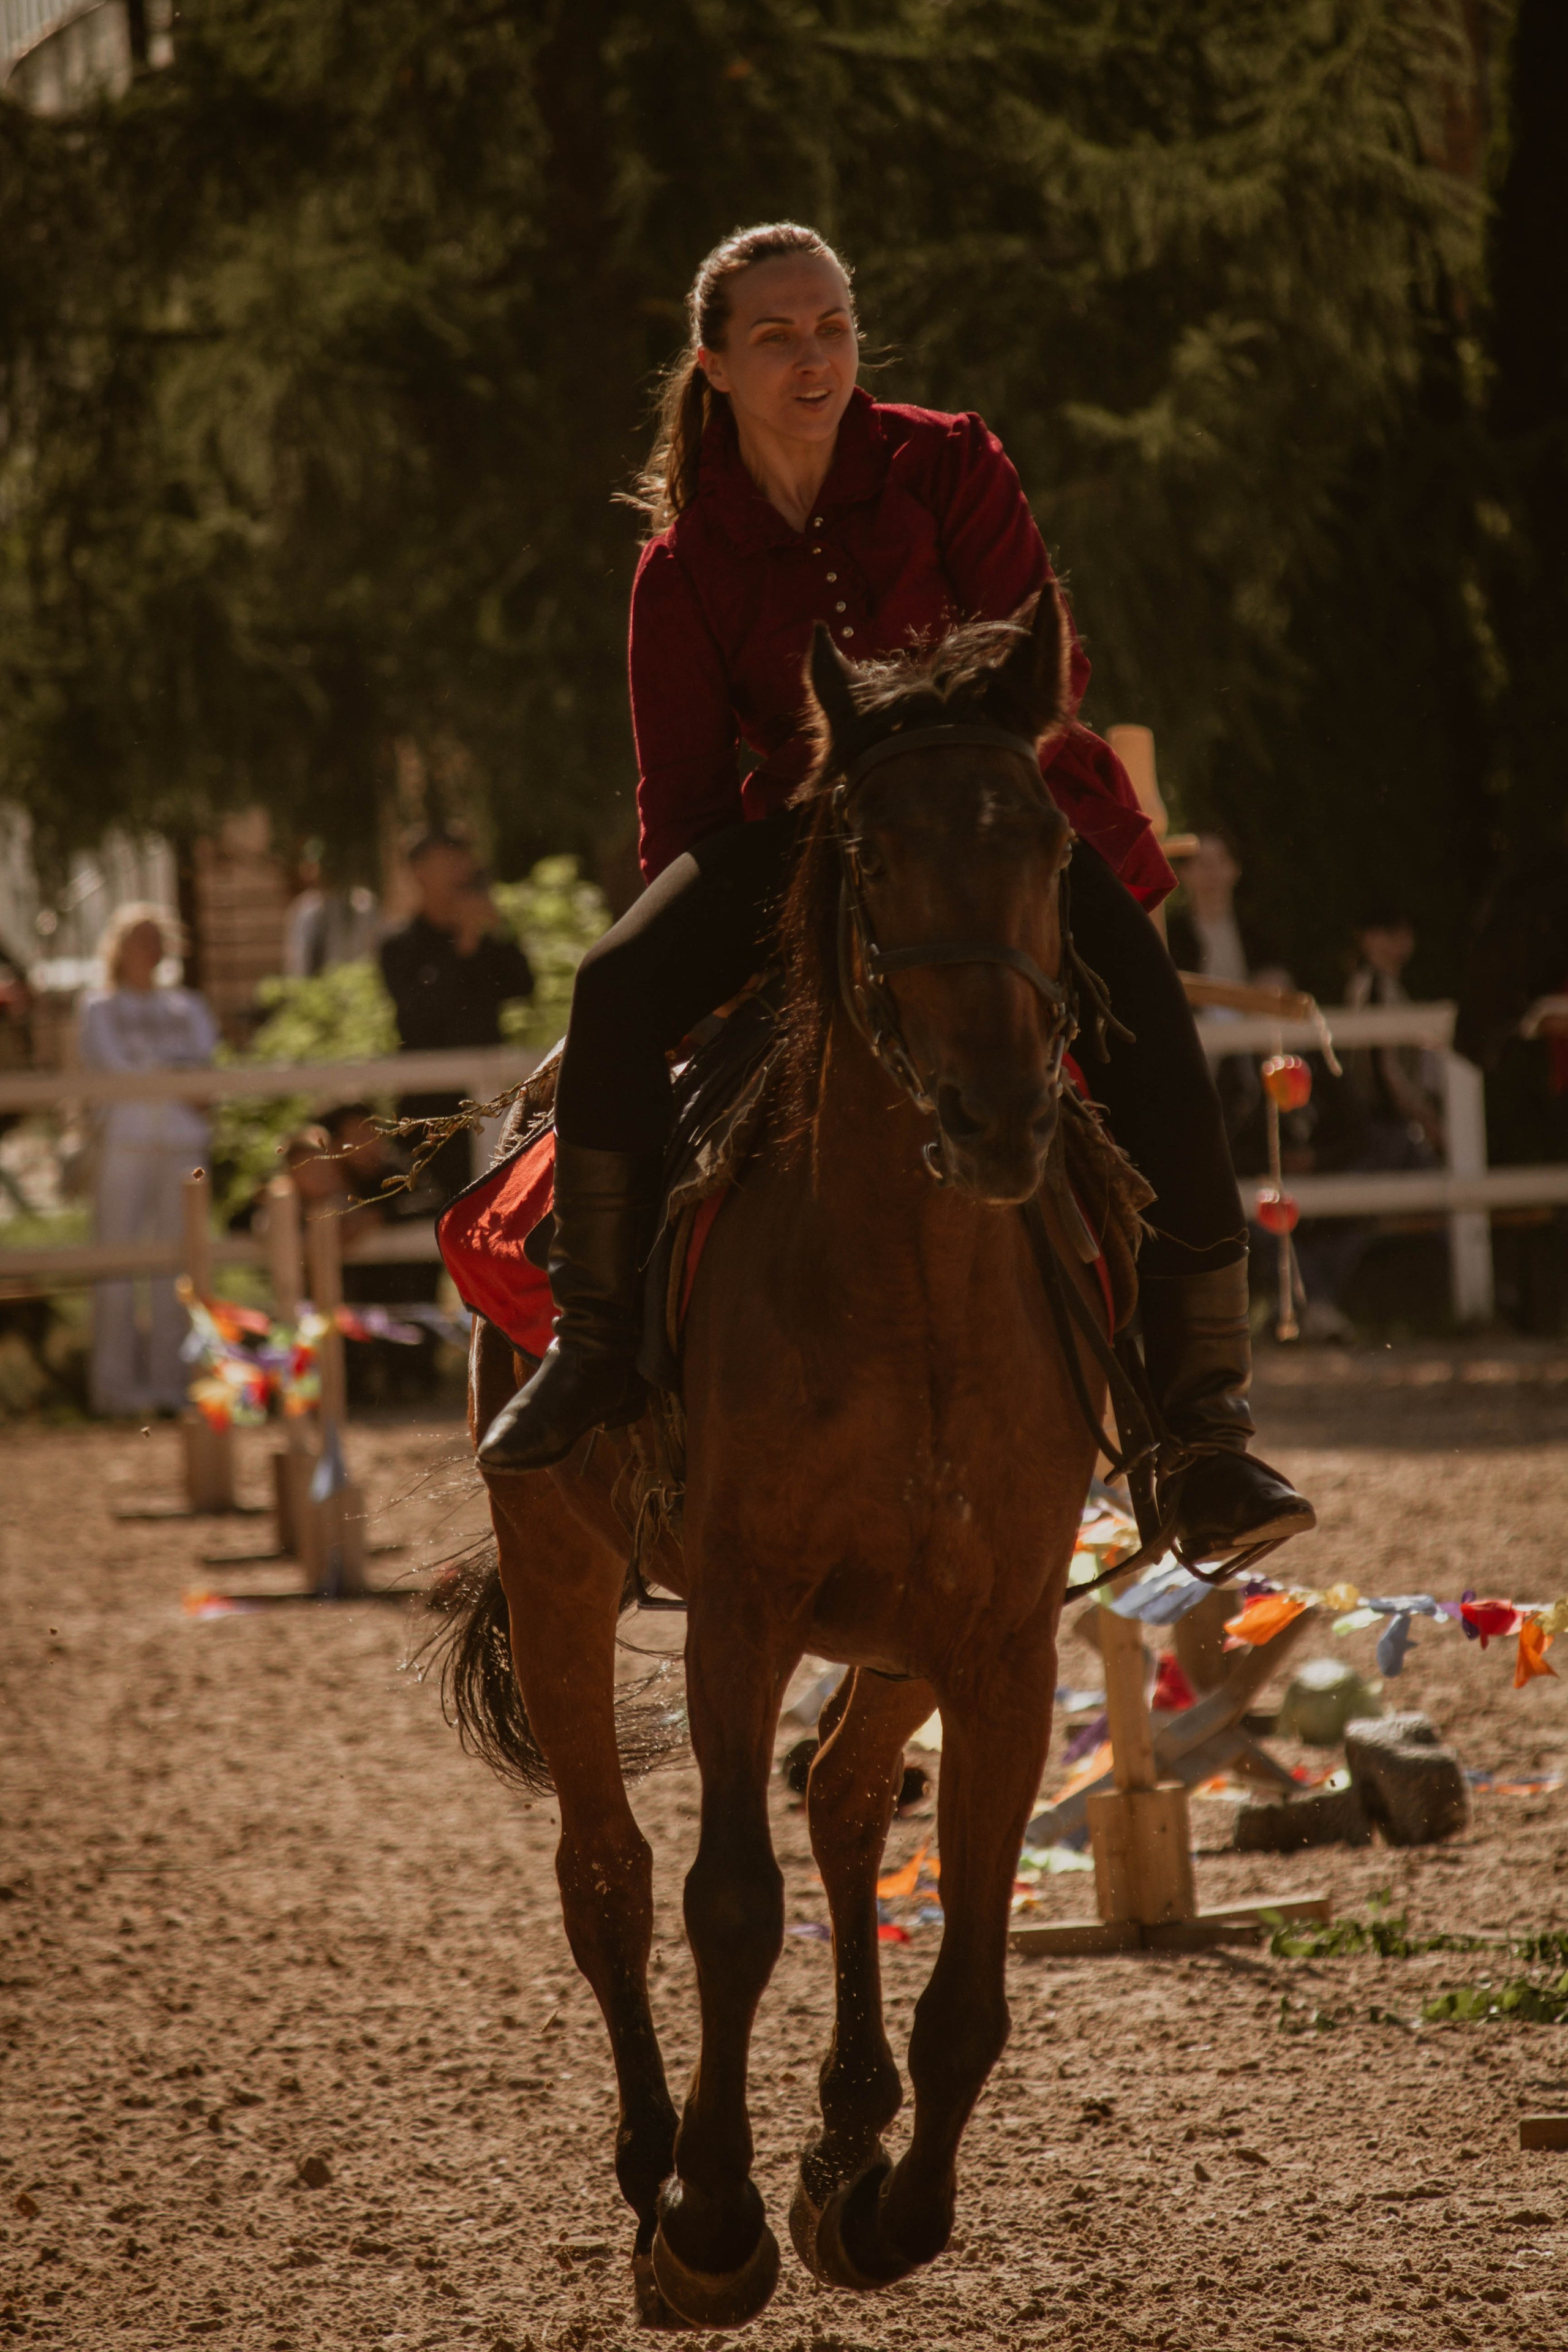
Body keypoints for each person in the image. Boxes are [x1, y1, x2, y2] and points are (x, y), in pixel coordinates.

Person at [477, 221, 1313, 1566]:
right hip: (812, 839)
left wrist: (922, 762)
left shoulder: (949, 459)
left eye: (833, 327)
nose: (813, 358)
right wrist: (730, 955)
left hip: (996, 807)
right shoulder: (678, 566)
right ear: (714, 365)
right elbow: (682, 801)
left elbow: (1041, 666)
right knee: (615, 980)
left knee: (1150, 1024)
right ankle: (592, 1348)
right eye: (776, 337)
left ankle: (1201, 1434)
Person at [80, 902, 218, 1417]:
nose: (148, 948)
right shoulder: (98, 1006)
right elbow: (115, 1069)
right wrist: (174, 1076)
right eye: (138, 938)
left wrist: (164, 1076)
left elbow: (205, 1070)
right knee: (116, 1260)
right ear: (119, 946)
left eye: (156, 937)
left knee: (179, 1262)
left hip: (182, 1142)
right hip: (125, 1141)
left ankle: (173, 1383)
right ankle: (115, 1389)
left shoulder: (188, 1006)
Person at [378, 824, 535, 1203]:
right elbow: (422, 1013)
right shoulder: (400, 946)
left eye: (462, 859)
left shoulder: (485, 938)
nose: (460, 870)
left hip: (490, 1099)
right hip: (431, 1107)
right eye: (448, 860)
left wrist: (495, 932)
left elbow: (524, 985)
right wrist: (463, 944)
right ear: (419, 870)